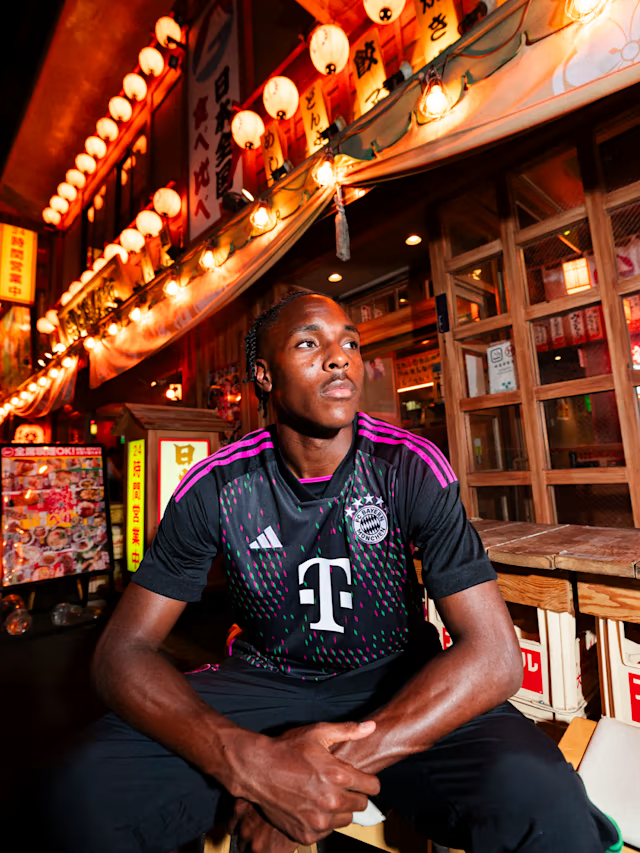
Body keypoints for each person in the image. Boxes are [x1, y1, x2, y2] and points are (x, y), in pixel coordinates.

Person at [47, 292, 621, 853]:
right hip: (262, 683)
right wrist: (247, 762)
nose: (339, 357)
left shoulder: (408, 465)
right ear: (264, 376)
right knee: (79, 795)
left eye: (350, 343)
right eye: (308, 343)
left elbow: (495, 657)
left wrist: (309, 776)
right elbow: (121, 652)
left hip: (395, 681)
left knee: (545, 804)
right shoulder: (216, 485)